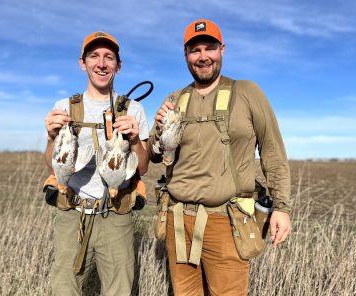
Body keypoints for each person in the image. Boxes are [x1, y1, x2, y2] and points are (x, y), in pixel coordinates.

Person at [148, 19, 292, 295]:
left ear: (222, 49)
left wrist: (282, 208)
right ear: (186, 55)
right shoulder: (175, 98)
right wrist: (157, 130)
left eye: (209, 48)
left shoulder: (248, 93)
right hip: (178, 218)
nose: (203, 57)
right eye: (195, 50)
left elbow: (272, 152)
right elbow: (156, 155)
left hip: (226, 222)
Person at [43, 31, 150, 296]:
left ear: (118, 65)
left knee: (119, 291)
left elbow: (144, 167)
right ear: (83, 62)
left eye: (109, 57)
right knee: (64, 289)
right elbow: (52, 166)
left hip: (115, 215)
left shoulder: (133, 109)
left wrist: (135, 139)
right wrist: (50, 137)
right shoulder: (65, 107)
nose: (101, 63)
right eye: (94, 56)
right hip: (72, 213)